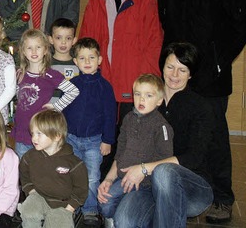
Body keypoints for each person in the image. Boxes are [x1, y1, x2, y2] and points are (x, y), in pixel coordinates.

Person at [156, 0, 246, 223]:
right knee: (179, 135)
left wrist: (219, 62)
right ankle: (183, 191)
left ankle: (222, 197)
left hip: (212, 76)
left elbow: (239, 27)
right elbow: (166, 25)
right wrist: (169, 67)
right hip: (177, 77)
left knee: (215, 138)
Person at [109, 42, 214, 228]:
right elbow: (124, 147)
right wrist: (109, 178)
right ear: (162, 66)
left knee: (164, 172)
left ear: (191, 74)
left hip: (192, 187)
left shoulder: (201, 107)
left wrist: (144, 168)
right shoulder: (144, 100)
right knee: (124, 221)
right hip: (148, 184)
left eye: (182, 70)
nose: (174, 75)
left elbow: (195, 157)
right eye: (170, 67)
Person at [79, 0, 163, 120]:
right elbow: (87, 36)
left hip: (132, 76)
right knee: (106, 133)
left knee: (130, 131)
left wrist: (148, 77)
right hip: (103, 75)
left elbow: (154, 38)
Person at [98, 74, 173, 223]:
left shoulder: (161, 126)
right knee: (104, 204)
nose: (141, 99)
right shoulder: (128, 119)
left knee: (123, 218)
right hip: (122, 179)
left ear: (159, 100)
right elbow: (119, 153)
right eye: (137, 94)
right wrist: (108, 178)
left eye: (148, 95)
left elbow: (166, 162)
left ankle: (143, 212)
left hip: (146, 184)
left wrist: (143, 171)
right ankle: (127, 211)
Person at [60, 38, 116, 226]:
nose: (87, 62)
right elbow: (61, 109)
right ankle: (72, 206)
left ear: (99, 60)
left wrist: (107, 140)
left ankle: (90, 209)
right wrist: (60, 134)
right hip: (71, 139)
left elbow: (110, 115)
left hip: (94, 141)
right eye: (82, 58)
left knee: (92, 176)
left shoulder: (105, 87)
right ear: (75, 61)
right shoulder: (70, 84)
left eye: (91, 57)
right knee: (72, 173)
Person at [13, 29, 79, 158]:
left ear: (45, 50)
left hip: (43, 134)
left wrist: (57, 106)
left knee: (42, 171)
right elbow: (17, 96)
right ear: (23, 51)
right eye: (29, 48)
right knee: (23, 171)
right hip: (21, 133)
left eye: (38, 47)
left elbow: (73, 91)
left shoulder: (51, 75)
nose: (34, 52)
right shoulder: (20, 74)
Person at [18, 110, 88, 228]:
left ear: (57, 136)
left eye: (39, 134)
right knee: (28, 211)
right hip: (38, 196)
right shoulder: (30, 156)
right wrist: (30, 190)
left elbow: (81, 189)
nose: (34, 138)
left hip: (62, 203)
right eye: (33, 133)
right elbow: (24, 173)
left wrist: (70, 208)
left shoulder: (74, 163)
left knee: (57, 224)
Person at [48, 18, 79, 106]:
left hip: (72, 112)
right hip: (50, 113)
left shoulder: (78, 65)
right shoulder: (45, 64)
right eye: (58, 38)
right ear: (51, 39)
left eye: (68, 38)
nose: (63, 42)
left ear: (74, 40)